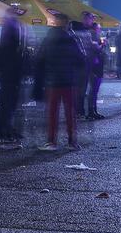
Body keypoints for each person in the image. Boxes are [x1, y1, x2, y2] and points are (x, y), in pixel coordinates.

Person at [33, 12, 85, 150]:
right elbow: (81, 59)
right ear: (66, 25)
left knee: (52, 113)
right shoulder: (72, 40)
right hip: (69, 80)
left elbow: (39, 60)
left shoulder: (47, 39)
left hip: (52, 81)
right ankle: (72, 142)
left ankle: (51, 142)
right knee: (70, 113)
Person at [0, 16, 25, 147]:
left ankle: (5, 132)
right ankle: (3, 133)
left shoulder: (7, 45)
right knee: (6, 107)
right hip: (9, 79)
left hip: (9, 79)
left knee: (8, 107)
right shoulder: (9, 46)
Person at [80, 14, 106, 120]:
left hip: (96, 65)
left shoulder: (94, 35)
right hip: (93, 65)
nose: (99, 30)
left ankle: (93, 110)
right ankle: (91, 110)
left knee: (94, 89)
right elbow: (95, 49)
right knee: (93, 89)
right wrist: (102, 45)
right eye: (98, 28)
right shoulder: (92, 35)